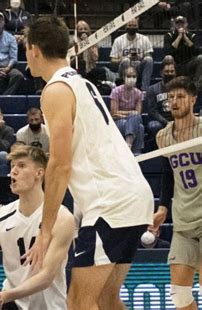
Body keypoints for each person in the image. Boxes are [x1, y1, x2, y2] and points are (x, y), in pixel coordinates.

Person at [24, 17, 153, 310]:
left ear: (34, 50)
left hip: (111, 203)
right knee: (106, 299)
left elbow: (59, 164)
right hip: (131, 195)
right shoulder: (82, 82)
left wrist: (46, 230)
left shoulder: (55, 90)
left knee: (79, 302)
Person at [0, 145, 74, 309]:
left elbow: (47, 276)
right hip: (14, 302)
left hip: (47, 305)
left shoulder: (61, 217)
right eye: (12, 166)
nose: (13, 171)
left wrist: (7, 295)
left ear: (39, 173)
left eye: (21, 166)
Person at [153, 76, 201, 310]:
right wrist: (162, 206)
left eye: (180, 97)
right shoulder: (163, 136)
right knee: (179, 294)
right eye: (171, 97)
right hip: (183, 221)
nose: (174, 101)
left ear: (193, 100)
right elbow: (167, 172)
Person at [110, 18, 154, 91]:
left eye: (134, 25)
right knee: (126, 60)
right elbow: (112, 60)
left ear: (138, 26)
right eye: (130, 25)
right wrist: (122, 59)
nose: (132, 27)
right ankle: (129, 88)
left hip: (139, 67)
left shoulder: (144, 39)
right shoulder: (118, 40)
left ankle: (145, 90)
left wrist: (140, 57)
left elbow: (149, 55)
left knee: (149, 59)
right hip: (124, 68)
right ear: (126, 26)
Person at [109, 65, 145, 154]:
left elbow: (138, 113)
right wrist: (131, 114)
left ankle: (129, 146)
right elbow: (114, 112)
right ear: (124, 78)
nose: (131, 78)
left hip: (130, 119)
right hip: (119, 121)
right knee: (138, 126)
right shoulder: (116, 91)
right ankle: (134, 151)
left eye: (134, 76)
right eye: (128, 76)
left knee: (137, 121)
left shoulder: (139, 93)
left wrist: (125, 115)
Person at [144, 56, 176, 146]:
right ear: (161, 73)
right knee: (154, 126)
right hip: (160, 121)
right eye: (166, 71)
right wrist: (167, 123)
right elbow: (152, 111)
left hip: (177, 120)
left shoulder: (181, 89)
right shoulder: (152, 89)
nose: (169, 74)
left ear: (175, 72)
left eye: (172, 71)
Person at [163, 15, 202, 89]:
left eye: (182, 23)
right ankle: (168, 86)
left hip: (189, 65)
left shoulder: (192, 35)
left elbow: (196, 51)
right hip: (175, 65)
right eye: (178, 23)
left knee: (201, 58)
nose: (180, 25)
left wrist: (185, 37)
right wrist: (179, 37)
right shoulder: (169, 35)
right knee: (168, 58)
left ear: (186, 24)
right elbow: (167, 52)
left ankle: (195, 87)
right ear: (174, 25)